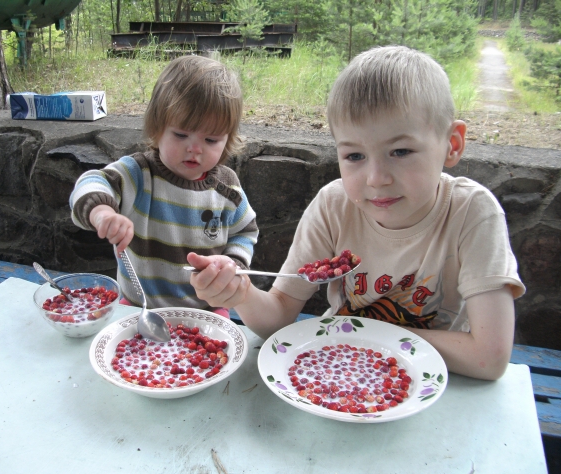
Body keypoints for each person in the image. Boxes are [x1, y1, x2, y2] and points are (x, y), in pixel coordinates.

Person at [187, 45, 525, 380]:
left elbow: (489, 357)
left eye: (401, 151)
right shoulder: (334, 206)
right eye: (354, 156)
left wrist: (372, 337)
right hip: (341, 375)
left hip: (440, 383)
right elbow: (278, 316)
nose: (377, 179)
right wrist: (240, 293)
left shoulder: (472, 212)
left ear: (452, 144)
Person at [70, 55, 258, 317]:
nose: (194, 148)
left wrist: (232, 264)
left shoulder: (227, 189)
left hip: (207, 310)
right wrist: (103, 212)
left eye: (212, 139)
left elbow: (245, 232)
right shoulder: (138, 174)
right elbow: (92, 181)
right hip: (138, 307)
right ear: (157, 130)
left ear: (227, 141)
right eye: (181, 134)